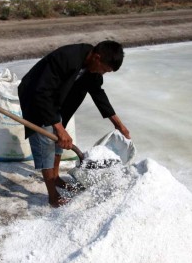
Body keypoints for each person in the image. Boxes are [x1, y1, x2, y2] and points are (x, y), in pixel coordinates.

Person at [18, 40, 130, 207]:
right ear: (97, 58)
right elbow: (41, 92)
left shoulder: (92, 67)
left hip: (57, 100)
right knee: (46, 142)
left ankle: (56, 177)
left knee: (59, 140)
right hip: (36, 96)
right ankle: (53, 196)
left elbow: (98, 93)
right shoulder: (66, 58)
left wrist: (118, 124)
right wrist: (58, 127)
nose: (103, 74)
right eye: (104, 70)